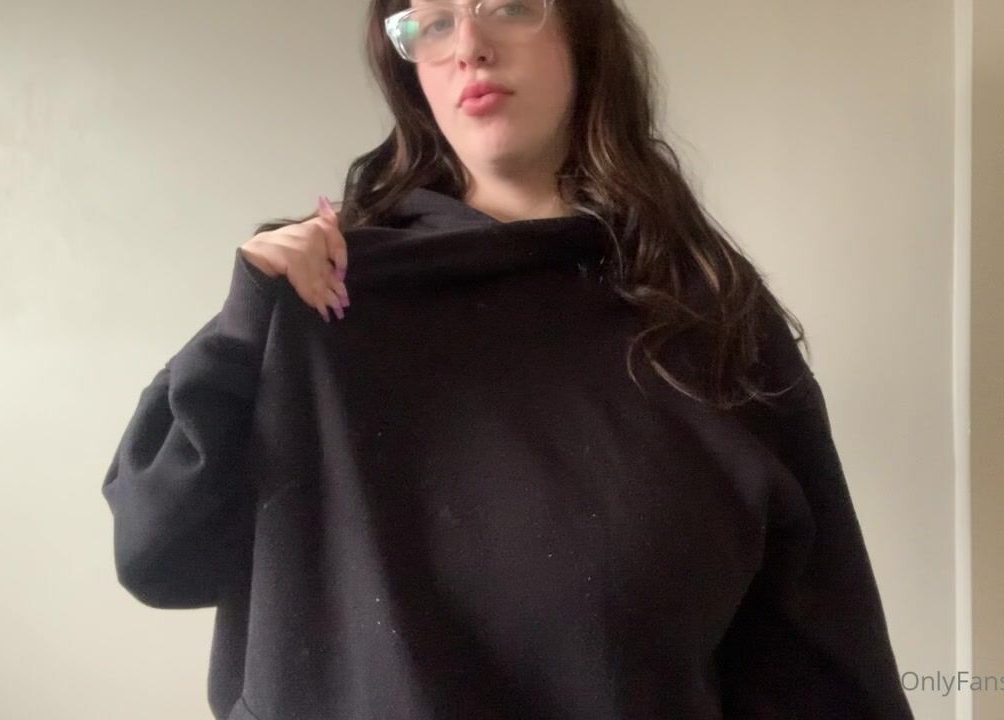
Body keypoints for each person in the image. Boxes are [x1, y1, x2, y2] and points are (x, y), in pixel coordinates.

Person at [101, 0, 915, 718]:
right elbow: (160, 560)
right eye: (433, 23)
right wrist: (244, 331)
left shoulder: (705, 314)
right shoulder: (323, 294)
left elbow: (813, 645)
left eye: (511, 6)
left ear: (582, 34)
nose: (470, 47)